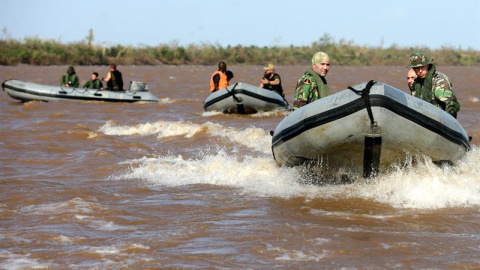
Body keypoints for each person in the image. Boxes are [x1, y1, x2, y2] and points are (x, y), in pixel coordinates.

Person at [408, 51, 460, 118]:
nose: (420, 71)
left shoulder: (439, 80)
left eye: (422, 67)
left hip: (440, 119)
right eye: (417, 68)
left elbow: (451, 104)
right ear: (413, 69)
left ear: (427, 65)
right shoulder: (416, 84)